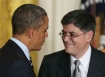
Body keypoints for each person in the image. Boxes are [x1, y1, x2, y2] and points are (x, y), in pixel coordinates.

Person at [38, 10, 105, 77]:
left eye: (72, 34)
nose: (65, 39)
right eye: (64, 33)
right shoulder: (49, 63)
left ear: (89, 36)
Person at [0, 4, 49, 77]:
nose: (46, 35)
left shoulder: (4, 53)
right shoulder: (18, 65)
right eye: (44, 30)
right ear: (31, 33)